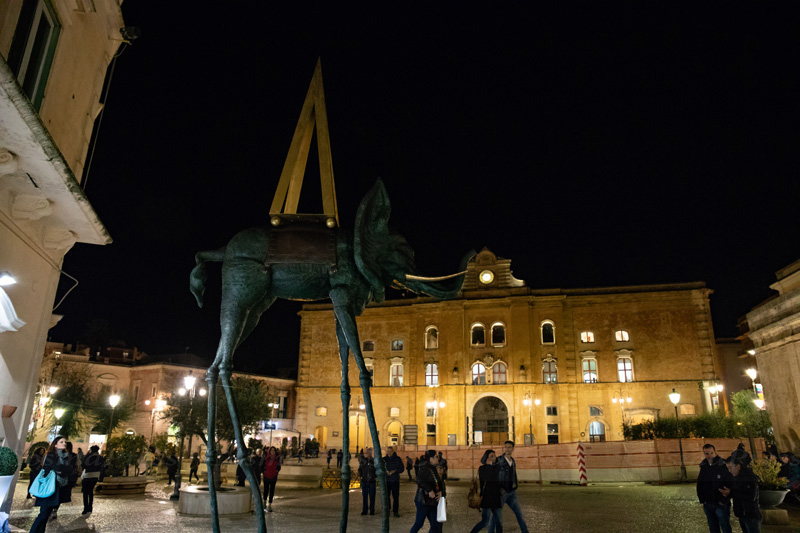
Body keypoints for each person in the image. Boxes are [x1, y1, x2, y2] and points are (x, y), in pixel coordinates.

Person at [29, 436, 76, 532]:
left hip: (58, 487)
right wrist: (62, 470)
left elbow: (70, 470)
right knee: (43, 514)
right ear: (55, 445)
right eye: (61, 442)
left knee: (46, 514)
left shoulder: (65, 456)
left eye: (65, 442)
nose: (64, 443)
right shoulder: (50, 455)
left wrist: (62, 470)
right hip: (49, 486)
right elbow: (54, 468)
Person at [719, 450, 761, 533]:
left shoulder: (748, 477)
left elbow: (750, 496)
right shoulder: (736, 477)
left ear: (738, 466)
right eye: (728, 468)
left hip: (750, 514)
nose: (729, 471)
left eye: (730, 467)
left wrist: (730, 493)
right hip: (742, 514)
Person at [696, 443, 732, 533]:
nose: (710, 455)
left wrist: (724, 500)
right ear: (704, 453)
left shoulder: (723, 465)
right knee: (713, 528)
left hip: (720, 502)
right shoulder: (704, 466)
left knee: (725, 527)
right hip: (708, 502)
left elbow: (730, 483)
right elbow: (700, 483)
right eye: (707, 453)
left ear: (715, 452)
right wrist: (702, 499)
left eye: (711, 453)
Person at [497, 440, 530, 533]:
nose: (507, 449)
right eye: (506, 447)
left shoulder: (513, 461)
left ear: (513, 449)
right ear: (504, 448)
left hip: (512, 493)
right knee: (496, 517)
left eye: (509, 447)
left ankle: (525, 531)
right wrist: (499, 489)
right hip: (502, 493)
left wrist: (515, 486)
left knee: (519, 514)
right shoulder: (499, 460)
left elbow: (513, 475)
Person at [410, 449, 445, 533]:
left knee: (436, 524)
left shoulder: (433, 468)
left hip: (432, 502)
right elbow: (419, 480)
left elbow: (438, 482)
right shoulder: (424, 467)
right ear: (431, 458)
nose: (438, 458)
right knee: (419, 523)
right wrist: (429, 490)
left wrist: (440, 491)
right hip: (423, 501)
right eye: (436, 457)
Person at [470, 449, 503, 533]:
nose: (494, 458)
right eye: (491, 456)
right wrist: (489, 466)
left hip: (496, 498)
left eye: (495, 456)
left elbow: (497, 479)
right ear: (486, 458)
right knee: (485, 522)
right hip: (486, 498)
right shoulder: (482, 468)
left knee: (499, 522)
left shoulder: (497, 468)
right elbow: (485, 479)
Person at [81, 445, 104, 515]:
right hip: (96, 475)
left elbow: (83, 465)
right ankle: (90, 507)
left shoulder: (89, 456)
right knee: (90, 491)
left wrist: (87, 454)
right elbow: (102, 466)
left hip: (88, 475)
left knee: (85, 492)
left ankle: (85, 508)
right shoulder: (100, 457)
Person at [383, 446, 404, 517]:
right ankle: (387, 510)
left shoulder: (398, 459)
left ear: (393, 451)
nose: (389, 452)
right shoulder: (384, 459)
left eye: (390, 451)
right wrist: (385, 472)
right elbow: (381, 468)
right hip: (387, 480)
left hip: (395, 480)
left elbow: (402, 469)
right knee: (386, 496)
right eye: (388, 451)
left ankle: (395, 511)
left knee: (395, 497)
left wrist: (395, 471)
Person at [358, 447, 377, 515]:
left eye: (367, 452)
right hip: (364, 480)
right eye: (365, 452)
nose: (366, 454)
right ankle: (364, 510)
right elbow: (360, 469)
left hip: (372, 480)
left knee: (372, 497)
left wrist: (375, 476)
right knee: (364, 497)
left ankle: (372, 510)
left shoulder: (374, 461)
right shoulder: (363, 461)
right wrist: (361, 475)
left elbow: (376, 469)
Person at [263, 446, 281, 512]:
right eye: (271, 450)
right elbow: (261, 465)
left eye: (273, 450)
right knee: (266, 489)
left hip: (273, 476)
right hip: (266, 476)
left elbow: (279, 466)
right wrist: (264, 471)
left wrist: (276, 471)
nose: (272, 452)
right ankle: (264, 502)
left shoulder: (277, 458)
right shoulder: (266, 458)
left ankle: (270, 504)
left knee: (272, 491)